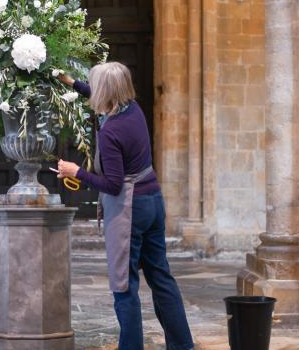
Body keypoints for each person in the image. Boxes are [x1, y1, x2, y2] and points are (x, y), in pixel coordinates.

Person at [56, 62, 195, 350]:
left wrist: (76, 172)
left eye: (95, 85)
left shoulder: (111, 133)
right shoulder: (132, 109)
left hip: (130, 209)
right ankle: (183, 346)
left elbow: (114, 185)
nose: (91, 89)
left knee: (124, 286)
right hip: (154, 201)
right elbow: (96, 92)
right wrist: (71, 83)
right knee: (161, 278)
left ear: (104, 92)